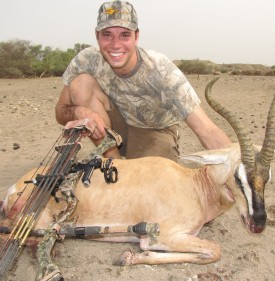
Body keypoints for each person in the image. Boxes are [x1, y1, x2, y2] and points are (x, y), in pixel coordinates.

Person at [55, 0, 231, 162]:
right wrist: (79, 112)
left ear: (136, 37)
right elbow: (60, 112)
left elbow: (206, 130)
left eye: (124, 35)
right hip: (116, 123)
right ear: (97, 36)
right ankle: (114, 162)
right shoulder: (86, 60)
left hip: (153, 129)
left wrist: (237, 165)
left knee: (152, 185)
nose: (115, 44)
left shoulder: (162, 71)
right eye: (107, 34)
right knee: (80, 83)